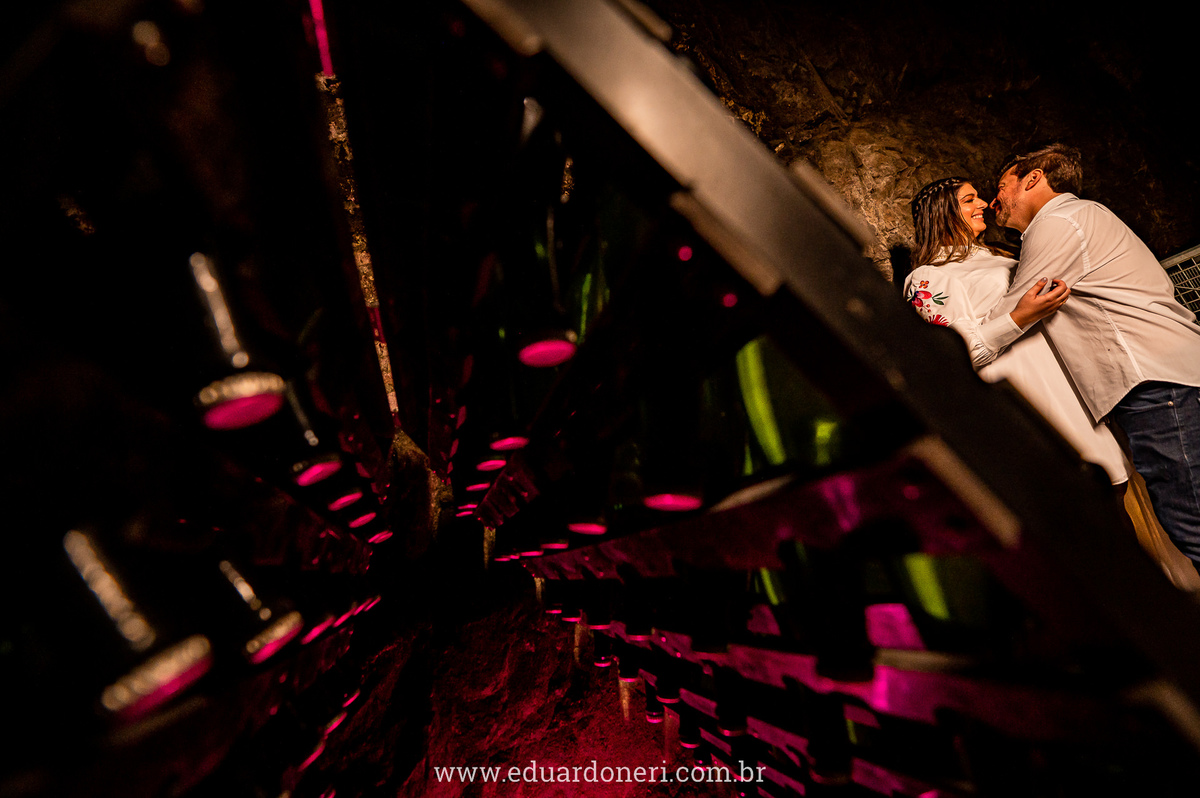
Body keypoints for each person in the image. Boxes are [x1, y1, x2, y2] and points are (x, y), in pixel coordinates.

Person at [981, 144, 1200, 572]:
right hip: (1173, 378)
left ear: (1033, 178)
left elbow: (1014, 309)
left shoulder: (1058, 222)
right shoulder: (1085, 216)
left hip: (1154, 385)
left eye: (1001, 187)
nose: (993, 202)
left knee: (1191, 518)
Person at [905, 176, 1130, 487]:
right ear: (941, 213)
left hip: (1072, 389)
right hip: (1035, 400)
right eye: (969, 200)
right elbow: (952, 356)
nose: (983, 204)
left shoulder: (999, 254)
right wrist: (1018, 318)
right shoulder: (928, 276)